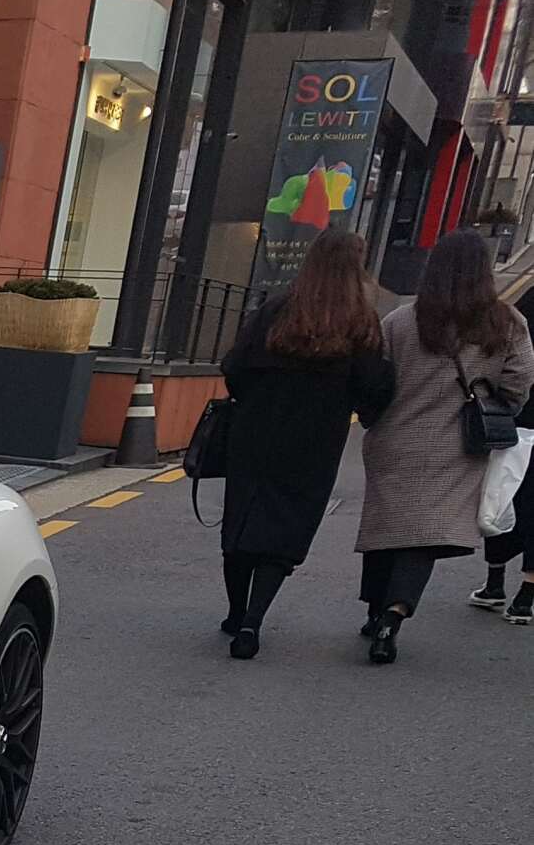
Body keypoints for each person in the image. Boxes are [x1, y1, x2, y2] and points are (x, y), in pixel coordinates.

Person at [356, 227, 534, 664]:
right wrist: (495, 407)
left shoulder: (401, 321)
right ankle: (394, 614)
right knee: (424, 534)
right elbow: (519, 383)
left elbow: (373, 380)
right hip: (459, 445)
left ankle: (375, 608)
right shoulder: (505, 324)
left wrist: (374, 418)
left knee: (388, 526)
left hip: (394, 439)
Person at [215, 228, 395, 659]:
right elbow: (374, 386)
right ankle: (253, 623)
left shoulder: (276, 308)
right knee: (287, 529)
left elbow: (234, 366)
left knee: (242, 521)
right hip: (315, 441)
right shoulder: (360, 321)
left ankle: (235, 611)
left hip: (255, 431)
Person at [465, 280, 534, 625]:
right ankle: (526, 596)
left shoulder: (528, 302)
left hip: (521, 420)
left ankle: (494, 583)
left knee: (501, 494)